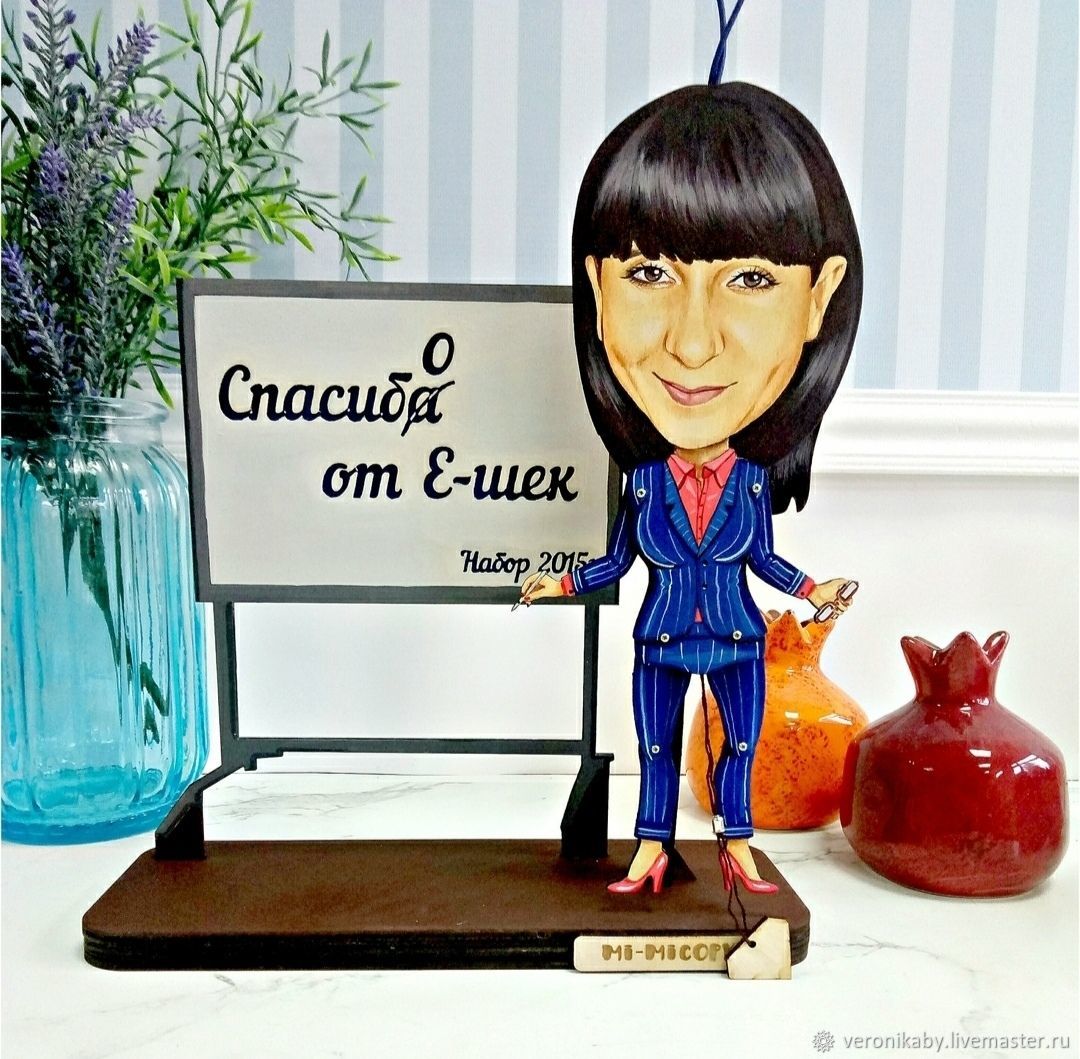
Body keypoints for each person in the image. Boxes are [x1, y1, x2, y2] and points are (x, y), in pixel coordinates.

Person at [520, 82, 862, 895]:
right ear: (597, 289)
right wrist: (558, 583)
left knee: (737, 746)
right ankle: (651, 847)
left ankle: (735, 845)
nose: (694, 343)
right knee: (656, 750)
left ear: (819, 298)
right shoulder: (644, 484)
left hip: (739, 639)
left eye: (751, 279)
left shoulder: (749, 485)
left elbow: (766, 563)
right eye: (648, 272)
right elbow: (615, 563)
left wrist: (813, 590)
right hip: (661, 639)